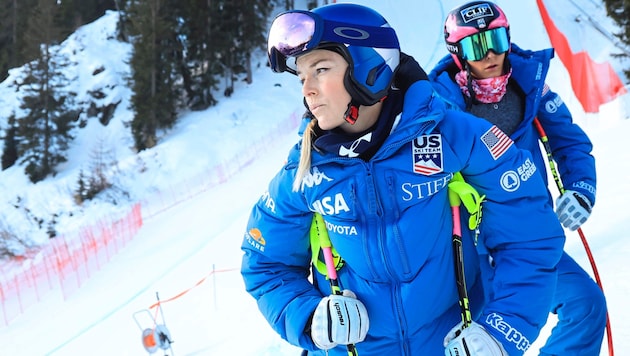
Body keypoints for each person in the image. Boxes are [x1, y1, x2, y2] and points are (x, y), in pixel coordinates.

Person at [241, 3, 566, 355]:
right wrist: (308, 316)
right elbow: (265, 264)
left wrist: (501, 331)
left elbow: (529, 234)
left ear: (369, 66)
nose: (308, 90)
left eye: (321, 69)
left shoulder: (454, 136)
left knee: (585, 305)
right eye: (303, 77)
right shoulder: (304, 173)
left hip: (451, 344)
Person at [428, 1, 607, 355]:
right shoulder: (436, 103)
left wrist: (581, 189)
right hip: (466, 248)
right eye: (476, 46)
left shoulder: (529, 84)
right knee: (481, 342)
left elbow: (569, 141)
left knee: (585, 305)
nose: (491, 54)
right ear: (458, 54)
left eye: (497, 40)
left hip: (524, 236)